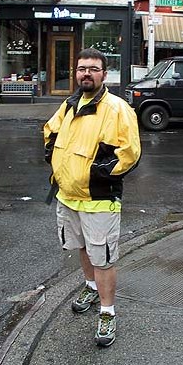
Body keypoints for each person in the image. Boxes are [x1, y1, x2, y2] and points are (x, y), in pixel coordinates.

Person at [44, 48, 141, 347]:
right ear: (76, 73)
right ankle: (90, 287)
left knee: (103, 259)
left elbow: (130, 153)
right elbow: (50, 131)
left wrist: (96, 173)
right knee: (83, 248)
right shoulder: (70, 104)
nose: (86, 73)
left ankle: (107, 312)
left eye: (93, 69)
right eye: (81, 68)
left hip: (98, 200)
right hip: (68, 197)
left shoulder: (117, 108)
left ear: (104, 74)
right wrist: (53, 156)